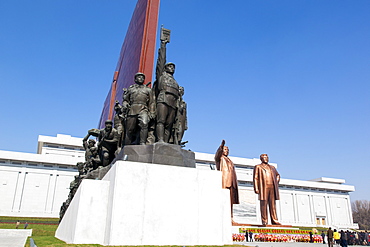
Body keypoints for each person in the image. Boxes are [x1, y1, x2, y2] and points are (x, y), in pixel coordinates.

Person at [122, 72, 155, 145]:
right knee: (129, 129)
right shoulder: (131, 89)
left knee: (144, 123)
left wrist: (152, 112)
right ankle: (127, 145)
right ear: (135, 79)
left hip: (143, 109)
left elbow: (152, 102)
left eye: (143, 77)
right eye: (139, 77)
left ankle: (142, 143)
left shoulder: (148, 90)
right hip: (132, 110)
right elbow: (125, 100)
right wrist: (125, 104)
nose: (141, 78)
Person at [155, 62, 180, 143]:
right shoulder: (162, 76)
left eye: (173, 67)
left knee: (169, 124)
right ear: (165, 68)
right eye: (170, 66)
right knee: (161, 121)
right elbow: (160, 63)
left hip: (173, 103)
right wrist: (163, 49)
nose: (172, 68)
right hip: (163, 100)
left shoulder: (175, 81)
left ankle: (165, 142)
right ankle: (160, 140)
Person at [253, 154, 281, 226]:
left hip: (272, 187)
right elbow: (255, 178)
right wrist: (256, 188)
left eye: (267, 157)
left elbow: (278, 175)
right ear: (261, 159)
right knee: (264, 204)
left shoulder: (272, 167)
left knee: (272, 205)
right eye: (264, 158)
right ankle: (264, 220)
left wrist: (276, 181)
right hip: (263, 187)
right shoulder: (258, 167)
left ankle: (274, 220)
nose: (266, 159)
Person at [214, 140, 239, 218]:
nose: (227, 151)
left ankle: (230, 217)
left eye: (228, 150)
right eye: (225, 149)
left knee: (230, 201)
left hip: (231, 182)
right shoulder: (220, 159)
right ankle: (224, 217)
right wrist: (221, 146)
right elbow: (217, 155)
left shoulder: (230, 160)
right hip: (224, 182)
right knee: (224, 201)